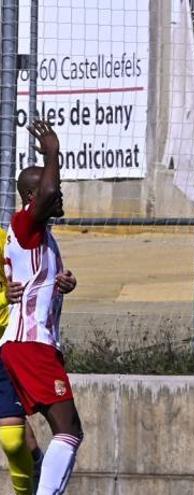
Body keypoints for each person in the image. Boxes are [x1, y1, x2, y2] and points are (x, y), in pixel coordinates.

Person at [0, 120, 82, 495]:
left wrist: (63, 284)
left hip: (32, 345)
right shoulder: (24, 224)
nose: (58, 195)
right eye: (54, 192)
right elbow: (47, 190)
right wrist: (53, 151)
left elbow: (34, 282)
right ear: (32, 197)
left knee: (51, 432)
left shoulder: (42, 237)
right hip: (30, 346)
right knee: (69, 431)